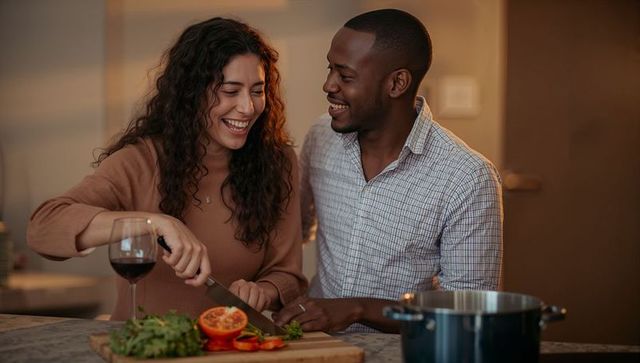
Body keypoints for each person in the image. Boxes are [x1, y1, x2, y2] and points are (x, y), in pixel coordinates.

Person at [27, 17, 307, 320]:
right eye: (230, 91)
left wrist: (263, 291)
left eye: (257, 90)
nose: (248, 107)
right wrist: (152, 224)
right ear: (193, 93)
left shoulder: (277, 164)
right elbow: (43, 227)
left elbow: (287, 275)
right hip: (144, 349)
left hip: (231, 348)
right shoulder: (142, 160)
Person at [273, 9, 503, 333]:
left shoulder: (467, 177)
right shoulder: (321, 136)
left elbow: (467, 315)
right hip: (318, 347)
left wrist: (357, 309)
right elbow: (292, 229)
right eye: (330, 69)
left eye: (345, 76)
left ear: (397, 83)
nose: (328, 85)